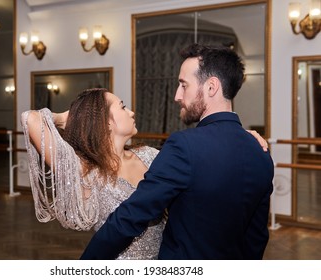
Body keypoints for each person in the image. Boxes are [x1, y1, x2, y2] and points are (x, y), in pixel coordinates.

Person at [21, 87, 268, 260]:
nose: (131, 112)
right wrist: (71, 118)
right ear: (105, 121)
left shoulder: (150, 155)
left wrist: (238, 139)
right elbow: (30, 118)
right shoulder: (85, 169)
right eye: (122, 107)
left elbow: (201, 159)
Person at [80, 44, 274, 260]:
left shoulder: (184, 146)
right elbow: (257, 237)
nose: (177, 95)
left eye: (184, 85)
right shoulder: (261, 152)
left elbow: (131, 216)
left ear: (211, 87)